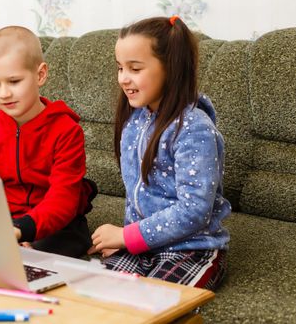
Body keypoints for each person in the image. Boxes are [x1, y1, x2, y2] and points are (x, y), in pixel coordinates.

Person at [89, 16, 231, 290]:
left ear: (171, 68)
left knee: (152, 303)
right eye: (120, 68)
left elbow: (194, 211)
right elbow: (136, 194)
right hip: (143, 246)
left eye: (135, 68)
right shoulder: (135, 121)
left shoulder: (195, 130)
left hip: (191, 248)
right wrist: (125, 242)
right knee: (94, 295)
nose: (123, 78)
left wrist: (127, 237)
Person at [0, 26, 96, 258]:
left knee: (56, 246)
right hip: (5, 222)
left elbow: (62, 201)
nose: (4, 93)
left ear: (40, 75)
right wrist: (1, 229)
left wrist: (20, 231)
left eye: (14, 81)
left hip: (57, 224)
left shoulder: (67, 131)